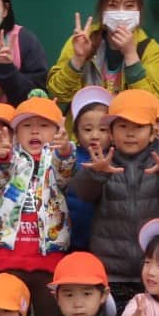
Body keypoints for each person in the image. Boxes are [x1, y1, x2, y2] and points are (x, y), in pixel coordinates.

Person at [71, 90, 159, 308]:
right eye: (123, 126)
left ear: (153, 133)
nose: (130, 133)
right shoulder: (102, 160)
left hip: (155, 266)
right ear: (111, 131)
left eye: (138, 127)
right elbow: (84, 193)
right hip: (112, 268)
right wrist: (96, 173)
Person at [0, 96, 76, 316]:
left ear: (57, 131)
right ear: (16, 132)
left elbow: (66, 172)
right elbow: (0, 174)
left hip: (47, 255)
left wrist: (65, 150)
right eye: (27, 125)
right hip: (9, 253)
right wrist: (1, 156)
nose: (35, 130)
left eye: (44, 125)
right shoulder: (13, 157)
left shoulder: (56, 159)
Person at [47, 0, 159, 106]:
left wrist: (131, 56)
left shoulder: (151, 50)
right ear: (102, 10)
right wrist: (78, 59)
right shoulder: (82, 40)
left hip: (125, 126)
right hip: (87, 125)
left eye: (129, 6)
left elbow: (153, 103)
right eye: (113, 5)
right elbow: (57, 94)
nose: (121, 13)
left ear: (139, 10)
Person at [64, 86, 112, 255]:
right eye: (87, 129)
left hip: (104, 240)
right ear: (76, 133)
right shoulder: (70, 157)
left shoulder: (116, 160)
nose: (95, 135)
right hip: (71, 236)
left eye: (103, 129)